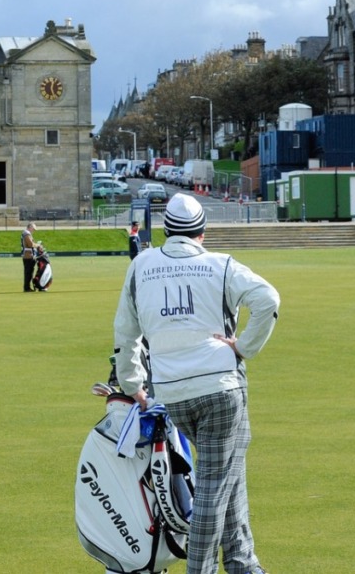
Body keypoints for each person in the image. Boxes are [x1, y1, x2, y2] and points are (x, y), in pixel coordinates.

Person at [112, 193, 280, 574]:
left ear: (168, 230)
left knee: (228, 473)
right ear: (202, 232)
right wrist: (245, 348)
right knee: (212, 490)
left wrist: (133, 384)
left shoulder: (141, 264)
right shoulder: (220, 265)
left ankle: (242, 564)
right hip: (221, 390)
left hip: (172, 394)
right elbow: (268, 300)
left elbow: (125, 333)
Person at [21, 222, 38, 292]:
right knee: (28, 273)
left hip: (29, 255)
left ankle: (27, 287)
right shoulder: (26, 234)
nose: (33, 230)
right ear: (30, 227)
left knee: (29, 272)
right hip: (28, 256)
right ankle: (27, 288)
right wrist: (37, 245)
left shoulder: (27, 234)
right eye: (33, 229)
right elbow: (30, 244)